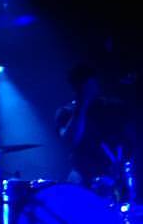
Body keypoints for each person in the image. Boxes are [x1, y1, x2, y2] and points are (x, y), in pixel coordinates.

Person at [56, 63, 135, 193]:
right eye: (85, 86)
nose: (91, 88)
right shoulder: (66, 112)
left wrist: (122, 164)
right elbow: (72, 139)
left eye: (92, 84)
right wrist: (83, 105)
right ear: (76, 88)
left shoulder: (110, 107)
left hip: (112, 177)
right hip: (82, 178)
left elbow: (127, 139)